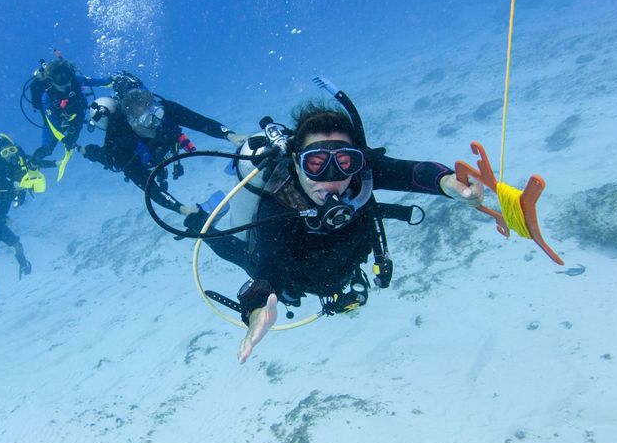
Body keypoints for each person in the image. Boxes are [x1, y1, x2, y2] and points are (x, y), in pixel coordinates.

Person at [183, 99, 484, 363]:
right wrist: (257, 309)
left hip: (342, 261)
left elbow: (413, 173)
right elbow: (269, 270)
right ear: (296, 165)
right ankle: (198, 220)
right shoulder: (278, 206)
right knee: (232, 250)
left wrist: (448, 184)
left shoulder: (362, 176)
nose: (331, 178)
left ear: (358, 161)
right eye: (315, 163)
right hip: (294, 274)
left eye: (343, 162)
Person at [81, 80, 247, 215]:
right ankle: (84, 150)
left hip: (155, 152)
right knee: (104, 158)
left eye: (157, 114)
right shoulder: (121, 147)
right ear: (132, 124)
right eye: (148, 121)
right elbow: (149, 188)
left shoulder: (167, 109)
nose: (156, 123)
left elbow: (200, 122)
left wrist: (230, 135)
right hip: (124, 156)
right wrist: (182, 209)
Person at [29, 57, 113, 161]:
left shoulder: (76, 80)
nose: (64, 82)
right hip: (57, 119)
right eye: (59, 79)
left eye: (66, 76)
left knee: (72, 137)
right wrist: (63, 139)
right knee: (47, 148)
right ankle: (33, 164)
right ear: (51, 80)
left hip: (77, 114)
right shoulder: (47, 97)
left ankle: (70, 146)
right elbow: (53, 124)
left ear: (71, 75)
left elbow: (99, 82)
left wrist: (113, 81)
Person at [0, 133, 49, 211]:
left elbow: (35, 161)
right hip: (4, 189)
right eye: (5, 153)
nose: (9, 154)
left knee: (21, 198)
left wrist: (54, 163)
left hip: (20, 184)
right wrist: (12, 185)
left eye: (11, 150)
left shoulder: (19, 156)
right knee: (4, 207)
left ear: (15, 149)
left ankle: (20, 198)